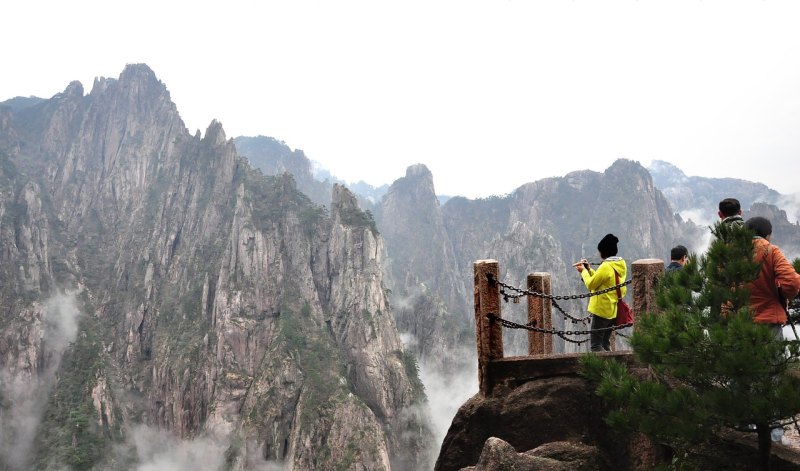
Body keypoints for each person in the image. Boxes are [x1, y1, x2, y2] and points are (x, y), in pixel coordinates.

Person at [744, 216, 800, 444]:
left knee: (742, 371)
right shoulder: (771, 251)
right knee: (772, 374)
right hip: (768, 321)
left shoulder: (731, 254)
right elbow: (793, 283)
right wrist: (781, 297)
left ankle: (744, 424)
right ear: (767, 234)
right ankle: (774, 433)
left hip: (740, 322)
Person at [574, 233, 627, 352]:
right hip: (612, 310)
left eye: (600, 251)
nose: (599, 254)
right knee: (605, 343)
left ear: (604, 251)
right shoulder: (619, 264)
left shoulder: (606, 266)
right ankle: (610, 367)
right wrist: (588, 269)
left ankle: (603, 369)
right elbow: (602, 281)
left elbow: (591, 284)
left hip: (602, 310)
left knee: (596, 346)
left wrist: (583, 271)